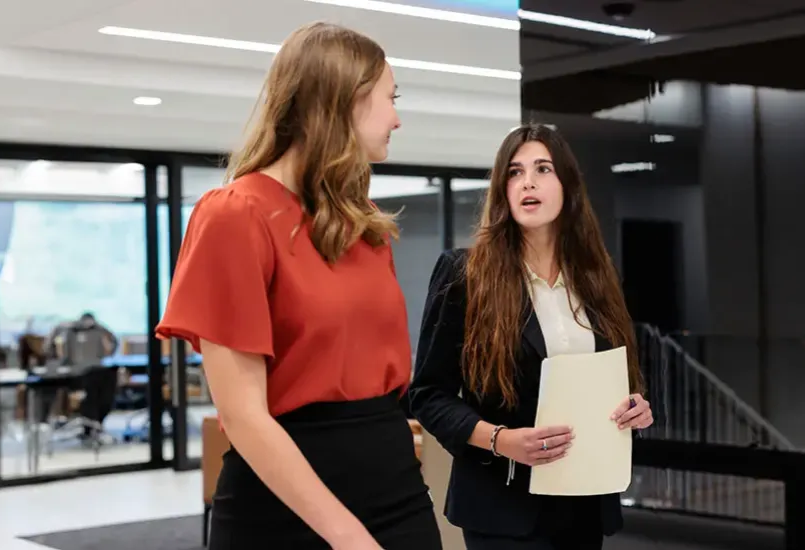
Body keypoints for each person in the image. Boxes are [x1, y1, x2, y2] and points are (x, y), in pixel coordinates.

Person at [155, 22, 441, 550]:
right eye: (389, 98)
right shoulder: (236, 215)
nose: (397, 118)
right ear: (345, 99)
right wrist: (346, 535)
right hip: (284, 506)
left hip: (396, 489)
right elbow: (241, 415)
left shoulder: (365, 222)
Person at [409, 123, 654, 550]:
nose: (528, 182)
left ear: (568, 186)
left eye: (543, 169)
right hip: (503, 508)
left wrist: (636, 409)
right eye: (515, 172)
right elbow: (428, 395)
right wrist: (501, 440)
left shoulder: (596, 279)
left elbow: (618, 377)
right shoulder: (465, 275)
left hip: (583, 500)